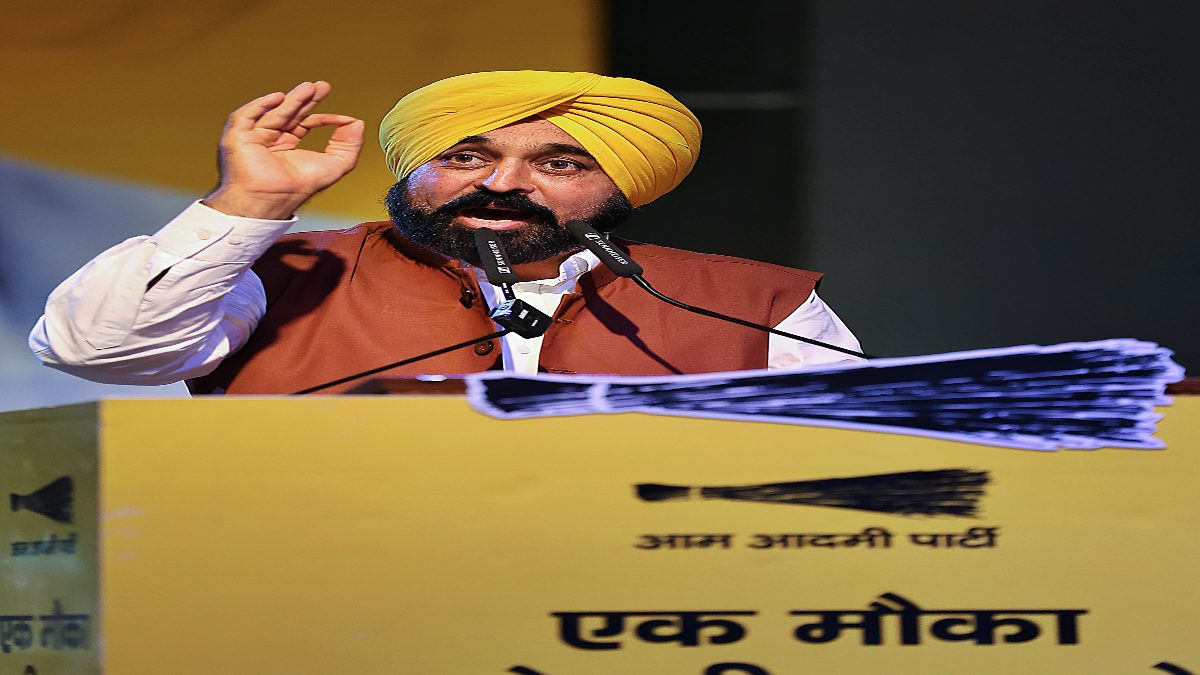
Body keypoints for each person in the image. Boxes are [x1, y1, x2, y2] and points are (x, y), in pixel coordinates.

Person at [30, 71, 862, 395]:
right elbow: (97, 350)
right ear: (409, 172)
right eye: (466, 156)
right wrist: (247, 201)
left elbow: (857, 457)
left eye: (560, 163)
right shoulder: (285, 270)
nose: (502, 184)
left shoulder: (752, 302)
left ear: (622, 185)